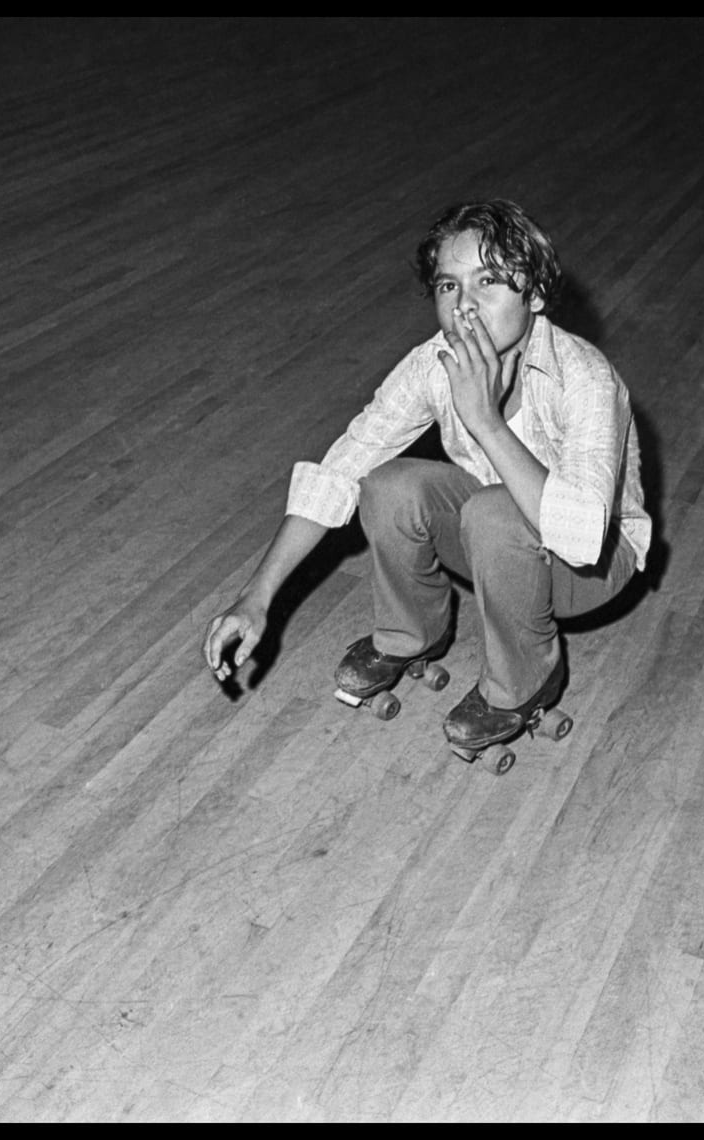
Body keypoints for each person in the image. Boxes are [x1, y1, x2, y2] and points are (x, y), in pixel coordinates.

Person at [201, 199, 650, 752]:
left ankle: (524, 681)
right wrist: (256, 596)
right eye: (448, 286)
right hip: (495, 541)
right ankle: (411, 632)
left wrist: (486, 422)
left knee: (492, 511)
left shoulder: (583, 378)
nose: (465, 305)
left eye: (489, 279)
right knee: (387, 482)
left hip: (596, 566)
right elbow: (342, 467)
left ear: (534, 294)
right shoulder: (432, 363)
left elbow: (582, 539)